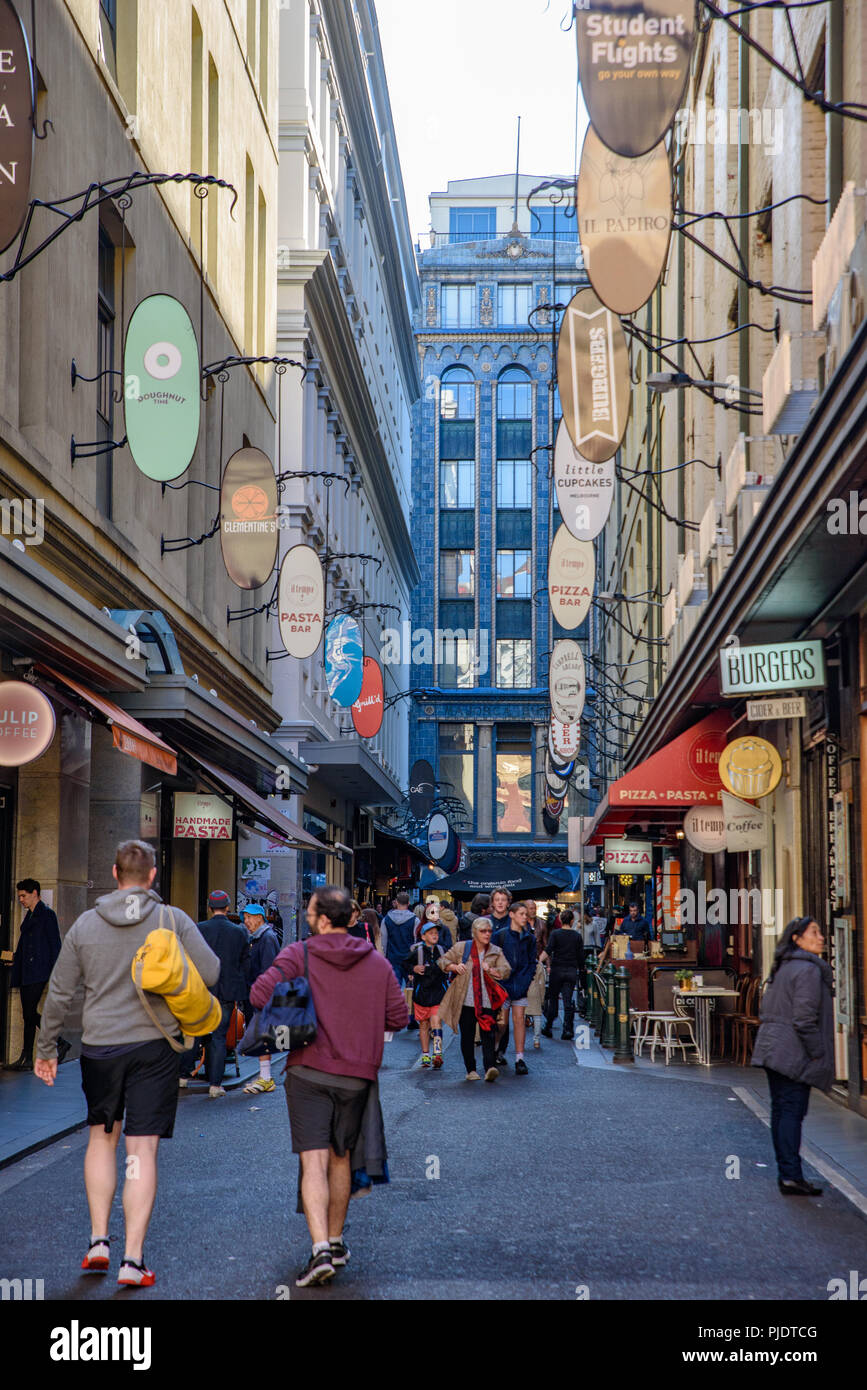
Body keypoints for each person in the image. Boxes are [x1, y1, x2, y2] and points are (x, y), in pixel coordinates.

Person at [34, 840, 219, 1288]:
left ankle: (98, 1240)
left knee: (101, 1138)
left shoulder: (85, 925)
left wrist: (45, 1049)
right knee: (140, 1150)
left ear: (115, 874)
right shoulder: (170, 919)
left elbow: (59, 991)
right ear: (152, 875)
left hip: (100, 1049)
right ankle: (132, 1260)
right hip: (153, 1048)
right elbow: (210, 973)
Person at [250, 885, 407, 1287]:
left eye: (309, 915)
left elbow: (258, 994)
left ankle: (320, 1249)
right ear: (351, 918)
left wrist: (299, 995)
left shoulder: (298, 954)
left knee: (313, 1160)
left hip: (308, 1070)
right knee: (341, 1157)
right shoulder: (376, 963)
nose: (306, 920)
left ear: (322, 920)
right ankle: (335, 1241)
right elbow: (397, 1017)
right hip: (358, 1075)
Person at [751, 916, 834, 1197]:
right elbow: (804, 1019)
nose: (821, 937)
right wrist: (817, 1052)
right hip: (792, 1052)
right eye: (815, 932)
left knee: (781, 1111)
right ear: (797, 938)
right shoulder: (808, 971)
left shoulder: (783, 967)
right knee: (791, 1113)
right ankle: (790, 1175)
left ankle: (787, 1172)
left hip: (772, 1049)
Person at [191, 890, 250, 1098]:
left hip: (201, 990)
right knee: (218, 1036)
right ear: (227, 907)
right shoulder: (239, 932)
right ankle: (215, 1085)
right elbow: (245, 961)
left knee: (195, 1032)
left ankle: (182, 1076)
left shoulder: (199, 929)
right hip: (227, 991)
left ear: (209, 907)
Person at [438, 918, 511, 1083]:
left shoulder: (495, 951)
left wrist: (491, 969)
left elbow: (506, 971)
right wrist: (454, 967)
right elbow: (442, 961)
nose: (487, 934)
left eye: (489, 931)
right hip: (465, 1001)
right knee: (468, 1036)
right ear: (474, 932)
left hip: (487, 1002)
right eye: (483, 931)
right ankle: (470, 1069)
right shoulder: (462, 947)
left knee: (489, 1035)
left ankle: (489, 1068)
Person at [8, 879, 67, 1070]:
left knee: (29, 1012)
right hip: (27, 970)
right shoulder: (31, 915)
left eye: (24, 896)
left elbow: (55, 945)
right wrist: (16, 958)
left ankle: (57, 1042)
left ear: (35, 893)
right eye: (19, 897)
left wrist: (56, 973)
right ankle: (27, 1057)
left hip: (38, 971)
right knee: (28, 1014)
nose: (21, 900)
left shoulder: (46, 914)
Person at [493, 901, 537, 1075]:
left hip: (520, 983)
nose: (524, 917)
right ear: (511, 915)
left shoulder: (529, 938)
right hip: (503, 985)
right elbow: (493, 957)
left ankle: (520, 1058)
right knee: (501, 1023)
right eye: (521, 914)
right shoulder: (500, 936)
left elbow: (531, 962)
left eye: (526, 914)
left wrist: (526, 980)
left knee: (519, 1020)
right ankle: (495, 1049)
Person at [241, 903, 280, 1095]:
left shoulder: (267, 939)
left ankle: (266, 1078)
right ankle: (264, 1077)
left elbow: (268, 970)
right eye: (245, 917)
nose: (246, 921)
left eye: (249, 917)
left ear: (260, 918)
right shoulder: (256, 939)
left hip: (262, 996)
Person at [403, 918, 448, 1068]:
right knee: (423, 1024)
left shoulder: (442, 950)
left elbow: (449, 963)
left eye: (436, 933)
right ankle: (425, 1054)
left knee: (436, 1022)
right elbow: (405, 963)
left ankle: (437, 1054)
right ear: (423, 937)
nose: (435, 935)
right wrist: (414, 969)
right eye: (431, 933)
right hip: (421, 993)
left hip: (438, 992)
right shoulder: (417, 952)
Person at [540, 909, 585, 1041]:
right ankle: (567, 1029)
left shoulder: (555, 934)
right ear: (572, 921)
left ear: (560, 920)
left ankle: (548, 1026)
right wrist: (582, 969)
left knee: (553, 998)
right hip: (570, 971)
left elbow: (548, 950)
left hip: (557, 970)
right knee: (568, 1000)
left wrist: (537, 961)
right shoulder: (577, 936)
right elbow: (580, 956)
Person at [382, 891, 418, 985]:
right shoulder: (415, 920)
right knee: (410, 989)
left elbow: (384, 942)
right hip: (409, 959)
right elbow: (416, 942)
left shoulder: (386, 919)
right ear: (408, 903)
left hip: (392, 958)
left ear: (396, 902)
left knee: (394, 989)